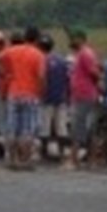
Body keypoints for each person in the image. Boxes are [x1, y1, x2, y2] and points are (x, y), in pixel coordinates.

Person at [0, 26, 46, 170]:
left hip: (13, 93)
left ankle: (11, 159)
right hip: (30, 94)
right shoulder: (38, 54)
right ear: (37, 39)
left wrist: (5, 74)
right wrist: (41, 92)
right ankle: (26, 160)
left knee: (12, 128)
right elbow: (41, 77)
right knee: (27, 129)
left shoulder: (13, 50)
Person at [68, 28, 102, 170]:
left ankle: (75, 161)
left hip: (85, 95)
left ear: (81, 39)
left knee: (79, 128)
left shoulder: (85, 54)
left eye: (74, 38)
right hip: (84, 94)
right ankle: (89, 161)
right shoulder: (82, 54)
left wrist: (98, 81)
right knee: (88, 128)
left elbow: (94, 72)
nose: (72, 41)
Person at [38, 34, 71, 162]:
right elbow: (67, 79)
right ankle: (62, 153)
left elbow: (42, 79)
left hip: (46, 98)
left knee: (45, 126)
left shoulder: (42, 60)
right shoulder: (61, 60)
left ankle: (44, 152)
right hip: (61, 97)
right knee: (61, 126)